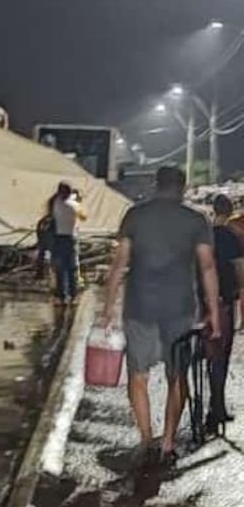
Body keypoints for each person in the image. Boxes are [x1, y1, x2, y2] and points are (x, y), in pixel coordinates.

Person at [104, 166, 220, 465]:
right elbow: (207, 267)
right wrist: (215, 315)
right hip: (180, 310)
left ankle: (146, 438)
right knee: (177, 376)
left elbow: (120, 264)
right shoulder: (196, 220)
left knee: (138, 376)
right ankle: (168, 440)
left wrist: (108, 308)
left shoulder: (135, 215)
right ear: (183, 187)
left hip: (139, 307)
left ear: (157, 185)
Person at [205, 194, 242, 432]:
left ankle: (213, 405)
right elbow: (240, 270)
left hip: (203, 301)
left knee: (210, 355)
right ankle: (216, 406)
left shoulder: (204, 235)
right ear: (229, 211)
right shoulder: (232, 237)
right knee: (222, 356)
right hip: (225, 301)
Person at [51, 182, 86, 304]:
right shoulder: (74, 205)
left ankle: (61, 295)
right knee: (72, 268)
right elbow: (84, 216)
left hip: (58, 238)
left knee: (60, 268)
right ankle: (73, 294)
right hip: (71, 238)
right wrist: (78, 200)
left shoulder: (56, 203)